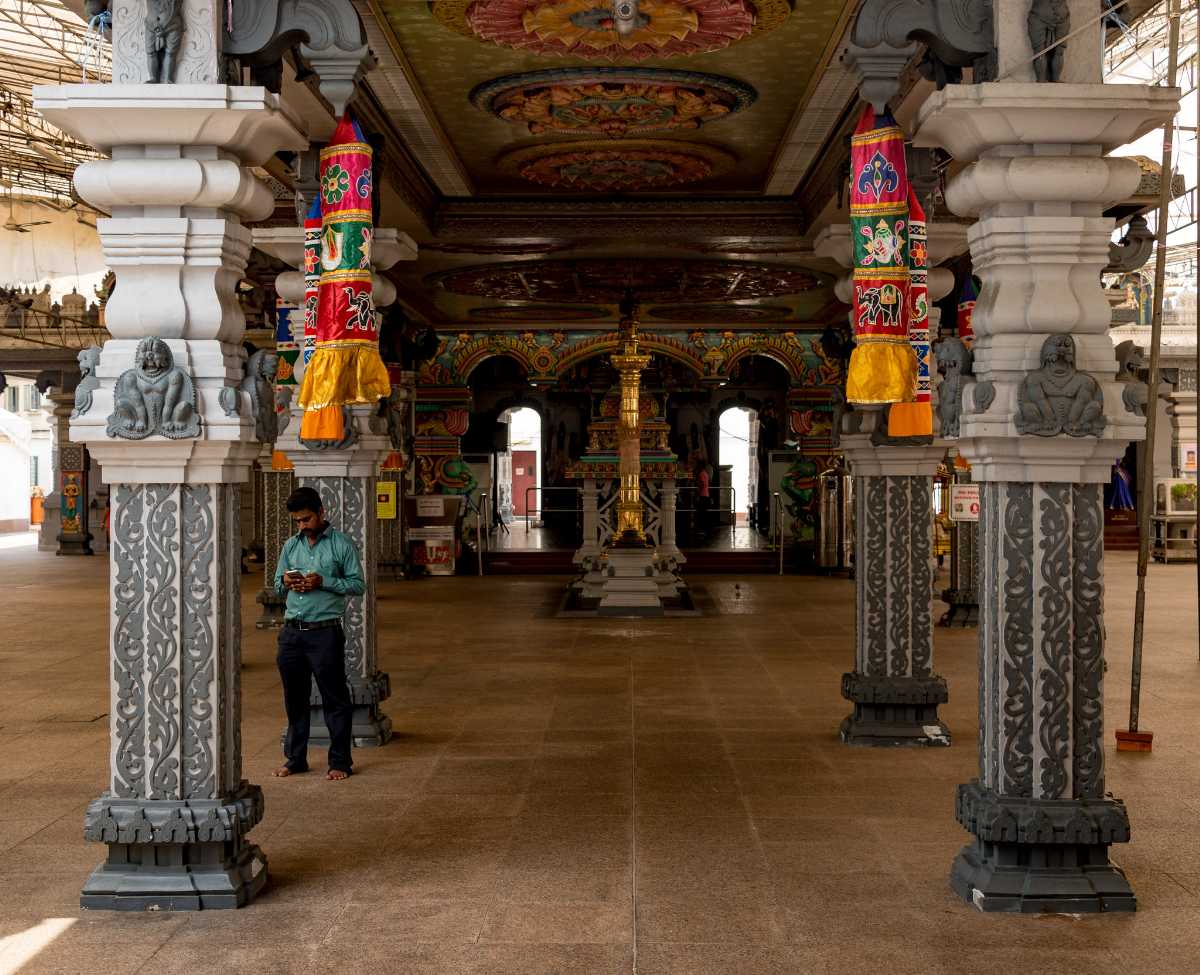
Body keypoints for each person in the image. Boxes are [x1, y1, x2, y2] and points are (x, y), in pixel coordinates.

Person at [272, 486, 364, 781]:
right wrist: (287, 581)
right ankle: (296, 759)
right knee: (294, 699)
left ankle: (340, 762)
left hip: (324, 633)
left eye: (307, 519)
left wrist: (323, 582)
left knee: (334, 699)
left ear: (322, 513)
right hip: (291, 634)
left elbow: (357, 585)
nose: (303, 525)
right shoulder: (291, 546)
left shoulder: (341, 544)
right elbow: (276, 584)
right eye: (298, 521)